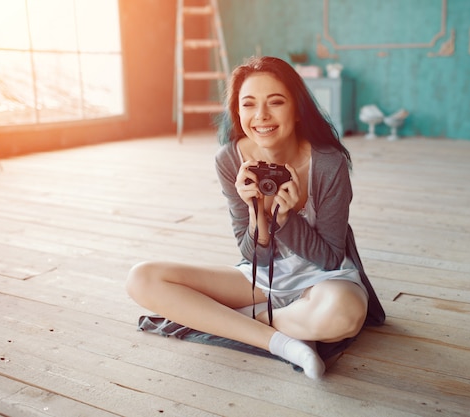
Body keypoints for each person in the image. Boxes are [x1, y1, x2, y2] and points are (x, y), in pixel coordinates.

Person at [126, 56, 385, 379]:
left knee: (343, 316)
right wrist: (257, 214)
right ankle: (284, 343)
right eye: (248, 105)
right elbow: (252, 255)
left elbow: (331, 258)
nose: (261, 116)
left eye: (275, 102)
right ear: (238, 112)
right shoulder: (230, 159)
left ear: (297, 109)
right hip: (263, 276)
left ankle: (239, 319)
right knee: (142, 278)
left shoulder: (328, 163)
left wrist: (286, 219)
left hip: (323, 279)